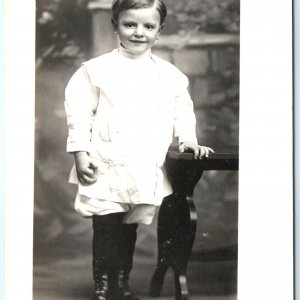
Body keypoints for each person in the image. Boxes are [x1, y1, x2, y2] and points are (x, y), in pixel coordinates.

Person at [64, 0, 214, 299]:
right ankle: (104, 286)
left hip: (143, 164)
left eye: (148, 26)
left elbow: (182, 110)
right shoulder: (96, 70)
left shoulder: (168, 75)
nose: (138, 32)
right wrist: (80, 153)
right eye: (130, 24)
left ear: (160, 31)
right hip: (104, 160)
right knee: (106, 223)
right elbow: (79, 114)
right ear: (115, 25)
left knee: (130, 224)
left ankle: (122, 281)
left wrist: (187, 138)